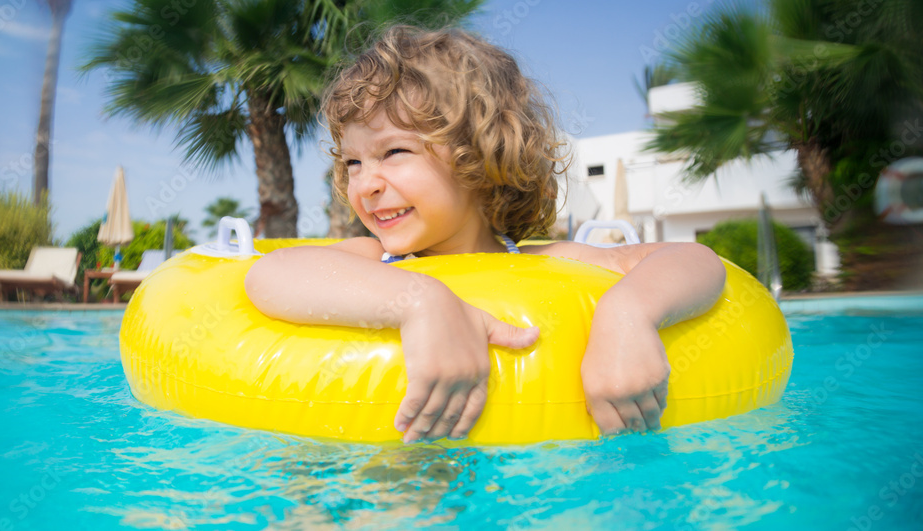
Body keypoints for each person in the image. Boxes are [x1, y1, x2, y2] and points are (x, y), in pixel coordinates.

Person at [245, 25, 726, 443]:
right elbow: (271, 274)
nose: (365, 184)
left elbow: (693, 259)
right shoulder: (374, 260)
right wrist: (422, 301)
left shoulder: (545, 260)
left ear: (479, 156)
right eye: (353, 161)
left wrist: (630, 313)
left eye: (393, 152)